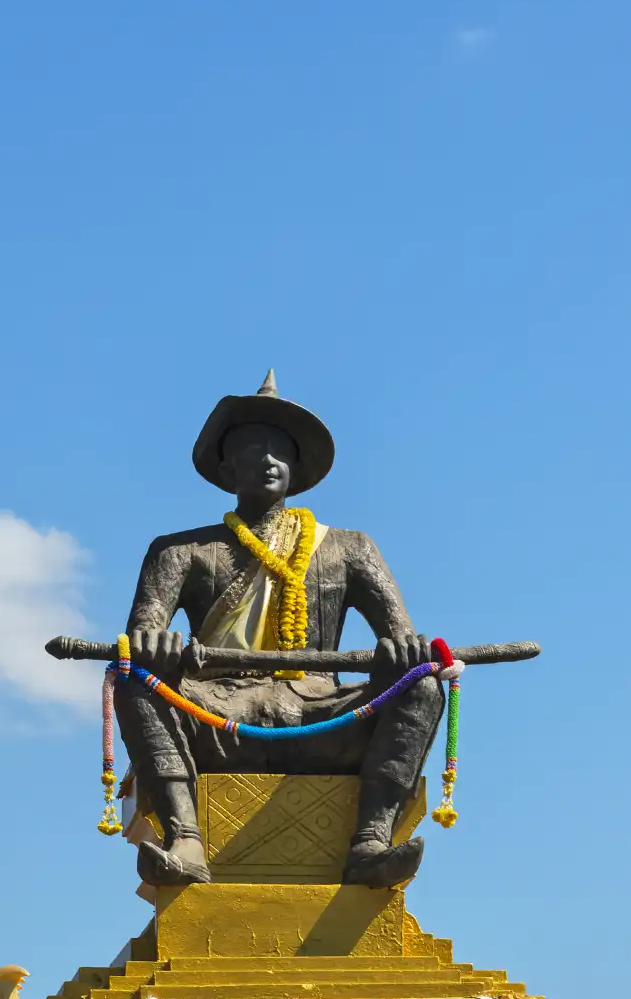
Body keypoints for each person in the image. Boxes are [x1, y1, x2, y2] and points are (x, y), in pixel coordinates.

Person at [115, 371, 443, 887]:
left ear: (297, 467)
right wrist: (158, 649)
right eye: (252, 448)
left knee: (420, 685)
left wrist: (405, 652)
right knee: (137, 682)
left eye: (280, 450)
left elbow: (401, 635)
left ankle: (372, 842)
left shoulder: (349, 548)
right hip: (215, 715)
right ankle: (186, 839)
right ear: (226, 467)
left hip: (320, 717)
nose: (268, 459)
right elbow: (141, 637)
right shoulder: (177, 552)